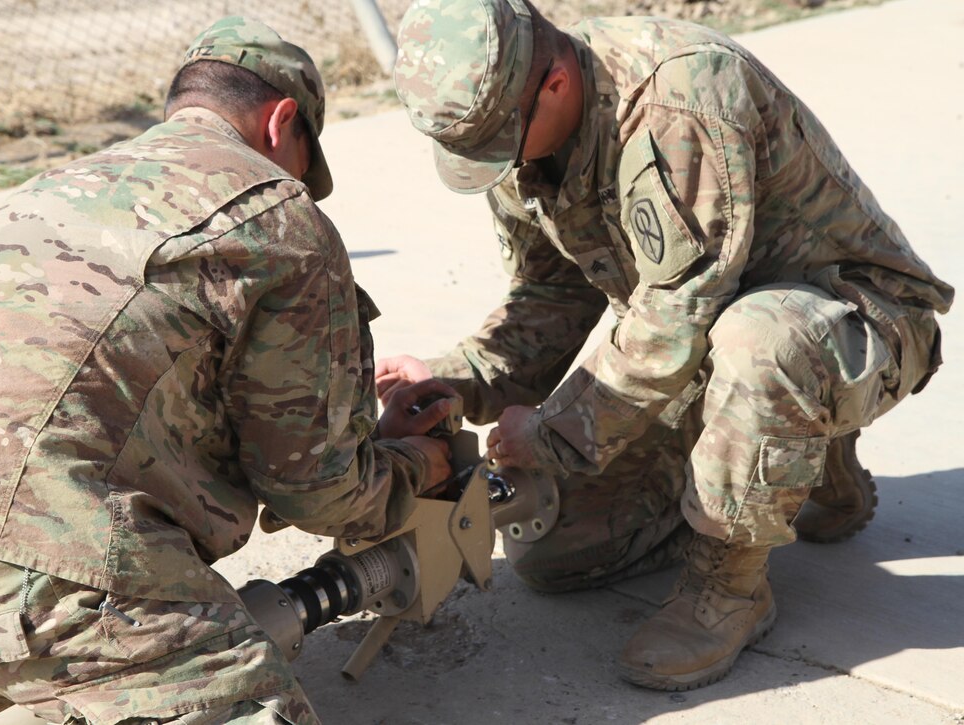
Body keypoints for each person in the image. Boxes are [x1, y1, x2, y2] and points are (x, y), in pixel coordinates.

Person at [0, 17, 456, 724]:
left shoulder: (70, 181)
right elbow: (316, 492)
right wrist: (412, 466)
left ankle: (30, 663)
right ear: (282, 124)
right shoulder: (279, 214)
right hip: (47, 574)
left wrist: (350, 405)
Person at [380, 0, 953, 692]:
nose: (493, 164)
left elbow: (680, 311)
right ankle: (786, 462)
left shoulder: (681, 99)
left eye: (496, 143)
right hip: (708, 345)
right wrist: (456, 379)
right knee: (554, 552)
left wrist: (556, 431)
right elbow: (551, 296)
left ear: (554, 83)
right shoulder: (524, 133)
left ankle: (732, 587)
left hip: (855, 319)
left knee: (760, 339)